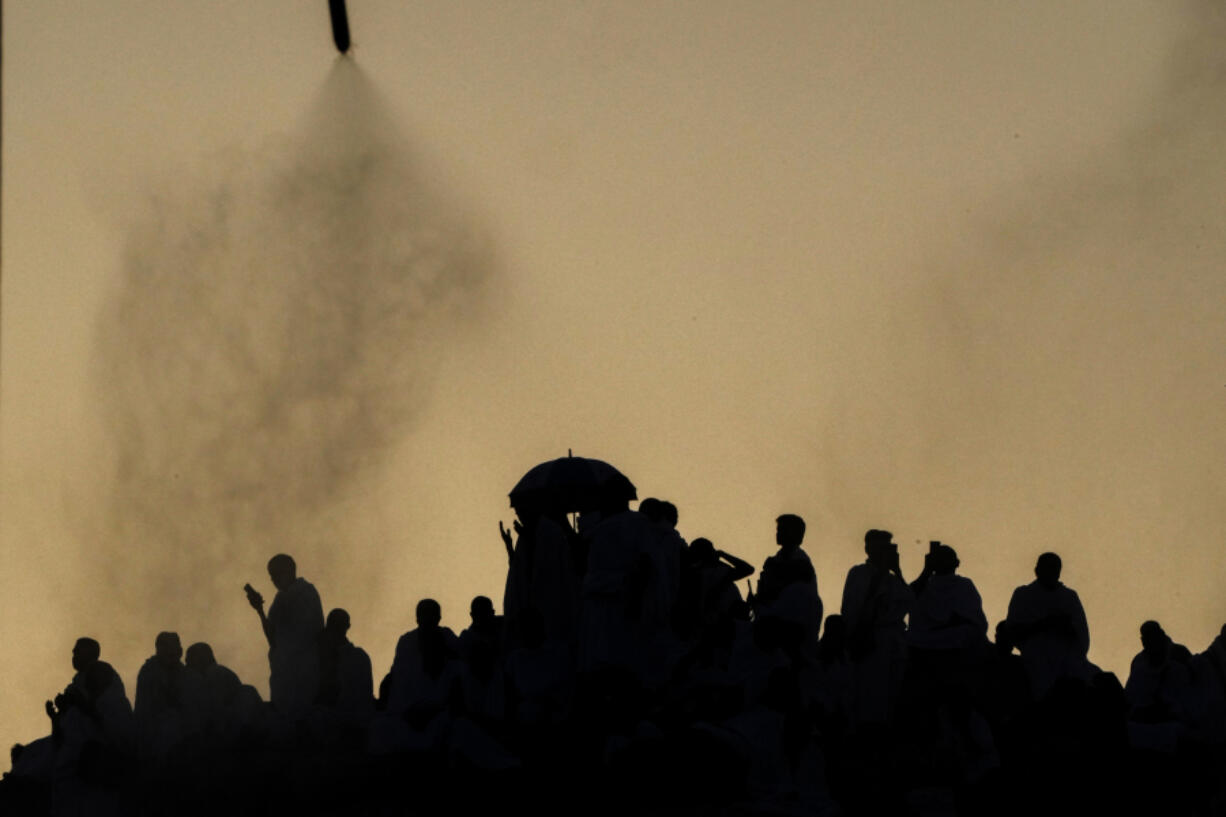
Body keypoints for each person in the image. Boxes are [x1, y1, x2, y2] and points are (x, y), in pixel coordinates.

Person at [839, 529, 913, 727]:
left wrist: (896, 571)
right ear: (868, 548)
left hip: (891, 643)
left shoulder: (892, 579)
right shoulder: (859, 573)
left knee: (888, 698)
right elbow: (855, 607)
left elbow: (908, 601)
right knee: (865, 695)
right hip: (866, 641)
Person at [1004, 552, 1094, 700]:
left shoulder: (1069, 597)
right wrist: (1043, 625)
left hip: (1068, 661)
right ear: (1037, 570)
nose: (1051, 573)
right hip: (1035, 658)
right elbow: (1012, 631)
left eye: (1054, 569)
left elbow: (1081, 635)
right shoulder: (1023, 594)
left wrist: (1064, 628)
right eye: (1047, 568)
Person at [246, 554, 325, 715]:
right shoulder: (281, 599)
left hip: (303, 673)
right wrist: (259, 610)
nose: (273, 579)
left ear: (289, 571)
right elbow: (273, 639)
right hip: (283, 675)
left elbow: (307, 636)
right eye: (271, 575)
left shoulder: (305, 593)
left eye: (276, 574)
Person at [753, 514, 821, 644]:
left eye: (782, 530)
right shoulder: (777, 560)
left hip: (792, 628)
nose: (777, 534)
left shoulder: (801, 563)